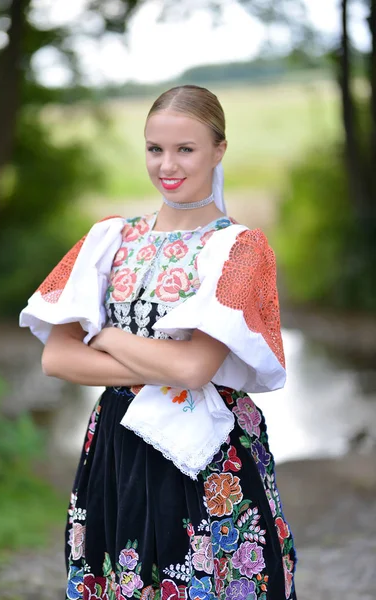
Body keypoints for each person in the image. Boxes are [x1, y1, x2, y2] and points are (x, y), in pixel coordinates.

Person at [20, 85, 297, 600]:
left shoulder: (239, 250)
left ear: (219, 150)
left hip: (209, 450)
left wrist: (105, 336)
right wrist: (158, 362)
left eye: (185, 149)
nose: (167, 165)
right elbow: (57, 356)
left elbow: (194, 369)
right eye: (155, 149)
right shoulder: (109, 239)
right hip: (118, 444)